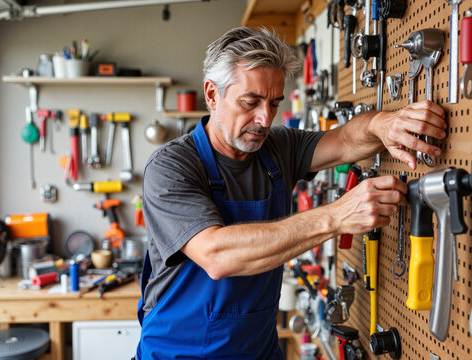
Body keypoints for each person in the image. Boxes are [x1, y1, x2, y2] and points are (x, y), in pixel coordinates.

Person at [135, 26, 446, 359]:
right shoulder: (172, 167)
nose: (264, 118)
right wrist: (336, 216)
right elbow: (217, 256)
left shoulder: (276, 149)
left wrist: (381, 124)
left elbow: (343, 141)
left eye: (274, 103)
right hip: (178, 353)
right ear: (212, 95)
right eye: (250, 102)